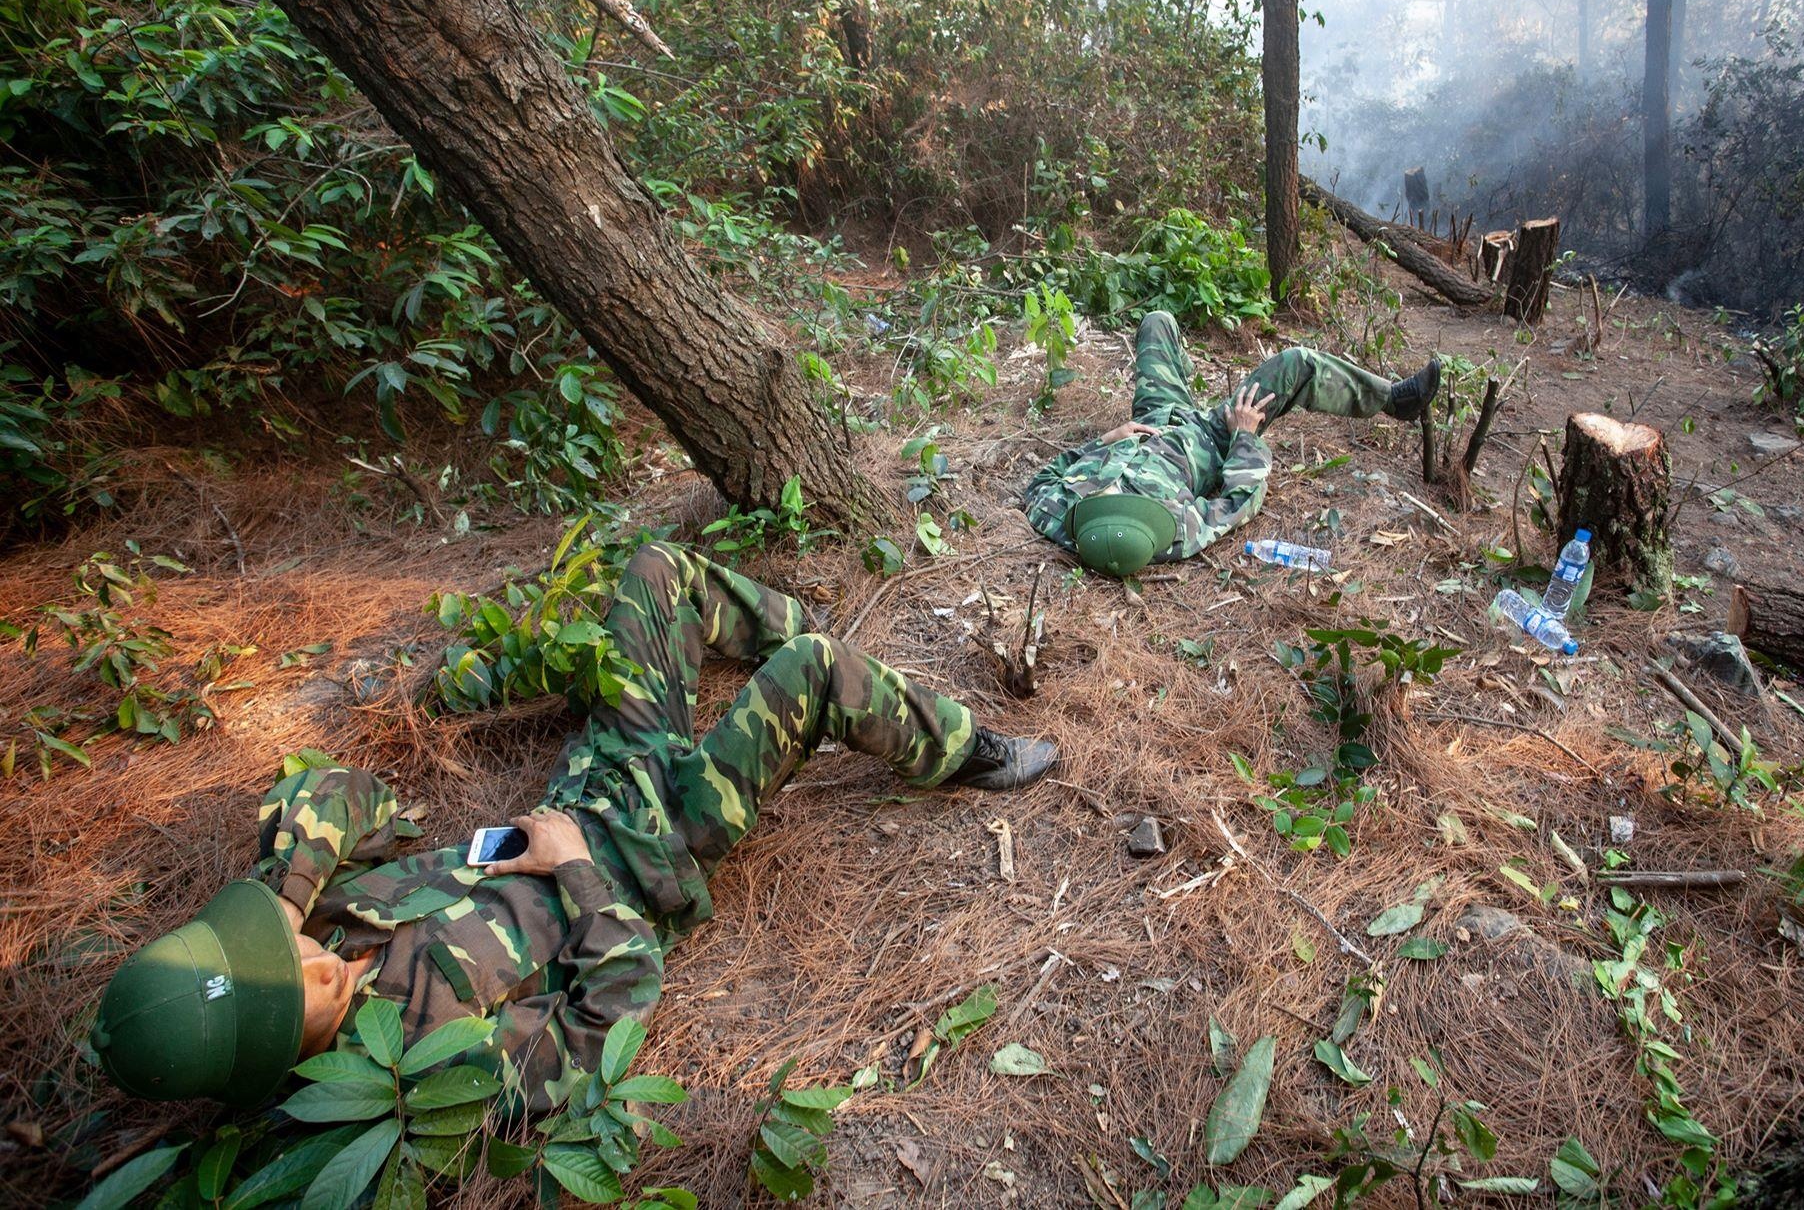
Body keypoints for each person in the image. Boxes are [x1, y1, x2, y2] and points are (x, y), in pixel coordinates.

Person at [89, 542, 1056, 1114]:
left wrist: (283, 901)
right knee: (813, 670)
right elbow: (619, 1003)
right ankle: (961, 750)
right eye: (289, 994)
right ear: (272, 1058)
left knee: (653, 569)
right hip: (654, 851)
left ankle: (806, 629)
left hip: (598, 779)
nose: (311, 966)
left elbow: (345, 792)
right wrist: (583, 871)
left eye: (282, 952)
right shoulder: (429, 1061)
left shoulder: (315, 933)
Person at [1023, 310, 1442, 575]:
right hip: (1209, 434)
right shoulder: (1177, 531)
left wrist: (1107, 438)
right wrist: (1243, 434)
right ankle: (1393, 399)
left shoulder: (1059, 515)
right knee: (1296, 365)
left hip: (1153, 419)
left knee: (1157, 322)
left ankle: (1184, 377)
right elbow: (1241, 497)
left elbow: (1040, 481)